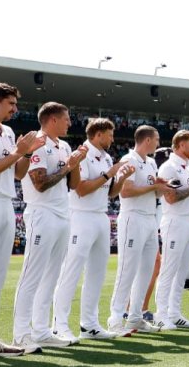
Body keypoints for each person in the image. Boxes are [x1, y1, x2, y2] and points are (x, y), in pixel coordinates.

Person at [0, 81, 44, 359]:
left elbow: (18, 174)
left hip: (5, 202)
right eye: (10, 104)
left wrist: (26, 153)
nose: (15, 109)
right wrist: (18, 152)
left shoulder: (7, 132)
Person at [12, 103, 84, 351]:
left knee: (51, 276)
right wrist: (67, 166)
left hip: (62, 213)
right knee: (31, 275)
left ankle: (41, 331)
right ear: (52, 119)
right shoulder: (38, 143)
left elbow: (73, 185)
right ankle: (21, 335)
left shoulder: (63, 145)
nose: (70, 123)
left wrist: (76, 164)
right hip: (42, 213)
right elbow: (40, 183)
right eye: (66, 119)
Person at [53, 116, 132, 340]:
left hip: (100, 215)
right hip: (81, 216)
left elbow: (109, 192)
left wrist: (121, 179)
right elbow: (81, 189)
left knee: (97, 273)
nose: (112, 138)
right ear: (98, 134)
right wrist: (109, 174)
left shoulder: (106, 157)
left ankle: (90, 324)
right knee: (71, 271)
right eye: (110, 134)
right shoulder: (83, 153)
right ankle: (59, 324)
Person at [109, 125, 167, 334]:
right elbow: (126, 191)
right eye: (157, 139)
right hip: (133, 218)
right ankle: (115, 318)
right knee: (127, 269)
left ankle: (135, 317)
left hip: (150, 218)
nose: (159, 143)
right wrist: (154, 187)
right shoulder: (129, 159)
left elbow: (153, 193)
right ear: (148, 140)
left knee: (146, 270)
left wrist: (160, 187)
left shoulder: (150, 162)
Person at [155, 130, 189, 329]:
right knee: (169, 269)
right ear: (180, 145)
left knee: (182, 271)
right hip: (174, 221)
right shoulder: (168, 167)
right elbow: (171, 197)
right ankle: (161, 315)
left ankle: (175, 312)